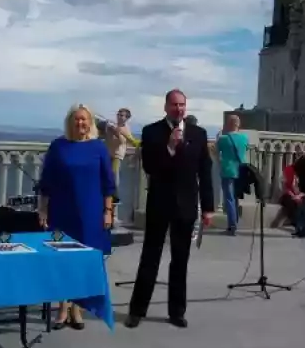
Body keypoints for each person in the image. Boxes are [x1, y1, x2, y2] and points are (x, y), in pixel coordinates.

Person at [126, 89, 214, 330]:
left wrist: (208, 208)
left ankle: (177, 312)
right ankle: (137, 311)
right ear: (166, 107)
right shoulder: (151, 132)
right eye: (174, 105)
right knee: (150, 257)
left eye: (182, 104)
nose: (179, 109)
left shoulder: (198, 134)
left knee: (180, 260)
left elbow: (205, 172)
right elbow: (150, 167)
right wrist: (170, 147)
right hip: (159, 203)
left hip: (186, 205)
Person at [37, 104, 116, 330]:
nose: (80, 123)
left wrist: (108, 211)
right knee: (63, 260)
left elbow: (108, 183)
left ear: (90, 122)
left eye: (84, 119)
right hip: (62, 211)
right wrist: (43, 209)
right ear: (70, 122)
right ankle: (63, 308)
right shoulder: (58, 146)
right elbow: (46, 181)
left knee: (85, 261)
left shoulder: (98, 147)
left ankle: (78, 309)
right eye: (76, 119)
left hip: (91, 213)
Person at [215, 114, 249, 236]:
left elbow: (216, 153)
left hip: (228, 170)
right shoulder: (245, 138)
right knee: (235, 197)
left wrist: (221, 134)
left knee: (229, 198)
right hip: (241, 170)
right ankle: (235, 221)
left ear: (228, 124)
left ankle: (232, 226)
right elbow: (245, 150)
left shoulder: (223, 139)